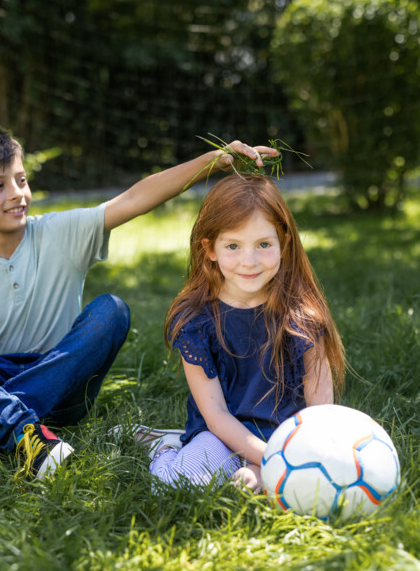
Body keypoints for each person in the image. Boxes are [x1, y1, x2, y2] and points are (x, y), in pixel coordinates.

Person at [0, 125, 278, 479]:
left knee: (110, 309)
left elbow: (133, 198)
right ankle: (20, 430)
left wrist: (213, 161)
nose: (16, 193)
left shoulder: (60, 233)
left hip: (60, 379)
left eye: (20, 180)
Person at [125, 174, 345, 491]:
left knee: (303, 490)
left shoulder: (304, 319)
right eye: (233, 245)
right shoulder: (196, 321)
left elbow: (320, 413)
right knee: (170, 487)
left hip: (288, 438)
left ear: (284, 243)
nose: (249, 261)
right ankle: (165, 449)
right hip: (221, 435)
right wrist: (272, 460)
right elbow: (214, 414)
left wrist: (291, 458)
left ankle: (257, 474)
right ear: (209, 249)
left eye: (264, 245)